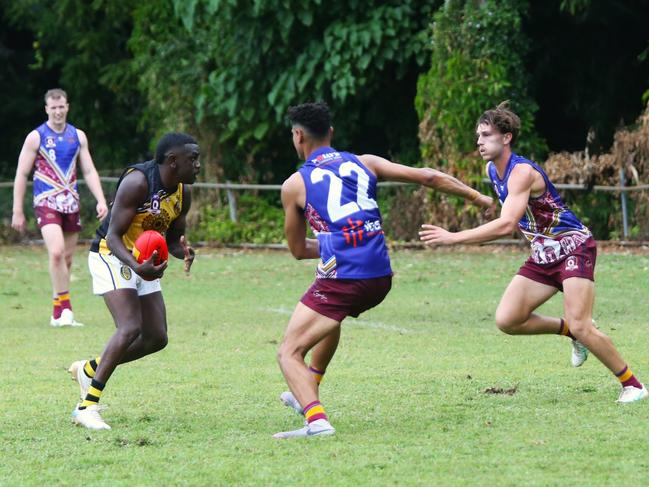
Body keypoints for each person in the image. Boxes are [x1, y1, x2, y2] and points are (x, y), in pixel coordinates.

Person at [274, 102, 493, 439]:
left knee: (288, 351)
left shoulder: (294, 185)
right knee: (329, 317)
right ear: (331, 133)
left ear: (298, 136)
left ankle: (316, 420)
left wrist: (338, 242)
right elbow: (429, 176)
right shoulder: (367, 162)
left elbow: (298, 249)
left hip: (345, 278)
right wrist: (480, 199)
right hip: (380, 276)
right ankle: (309, 384)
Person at [419, 101, 647, 404]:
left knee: (582, 321)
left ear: (506, 137)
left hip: (573, 246)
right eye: (478, 136)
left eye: (486, 135)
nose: (480, 142)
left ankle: (633, 385)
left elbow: (506, 225)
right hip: (543, 254)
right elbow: (516, 213)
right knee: (508, 319)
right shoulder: (492, 170)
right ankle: (572, 333)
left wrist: (452, 238)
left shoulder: (521, 171)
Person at [68, 132, 199, 430]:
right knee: (129, 327)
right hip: (111, 255)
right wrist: (137, 267)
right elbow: (113, 236)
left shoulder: (183, 193)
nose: (198, 165)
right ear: (173, 161)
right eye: (193, 159)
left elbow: (172, 239)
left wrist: (184, 251)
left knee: (156, 337)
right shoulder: (138, 182)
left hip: (143, 261)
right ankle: (86, 406)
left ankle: (89, 369)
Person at [11, 88, 108, 327]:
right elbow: (22, 173)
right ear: (46, 109)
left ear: (67, 106)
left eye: (61, 106)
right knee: (55, 253)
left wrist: (101, 199)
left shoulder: (78, 136)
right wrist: (17, 210)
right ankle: (66, 310)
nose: (57, 111)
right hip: (46, 201)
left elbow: (88, 170)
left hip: (70, 202)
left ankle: (57, 312)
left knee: (65, 259)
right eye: (53, 107)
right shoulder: (37, 137)